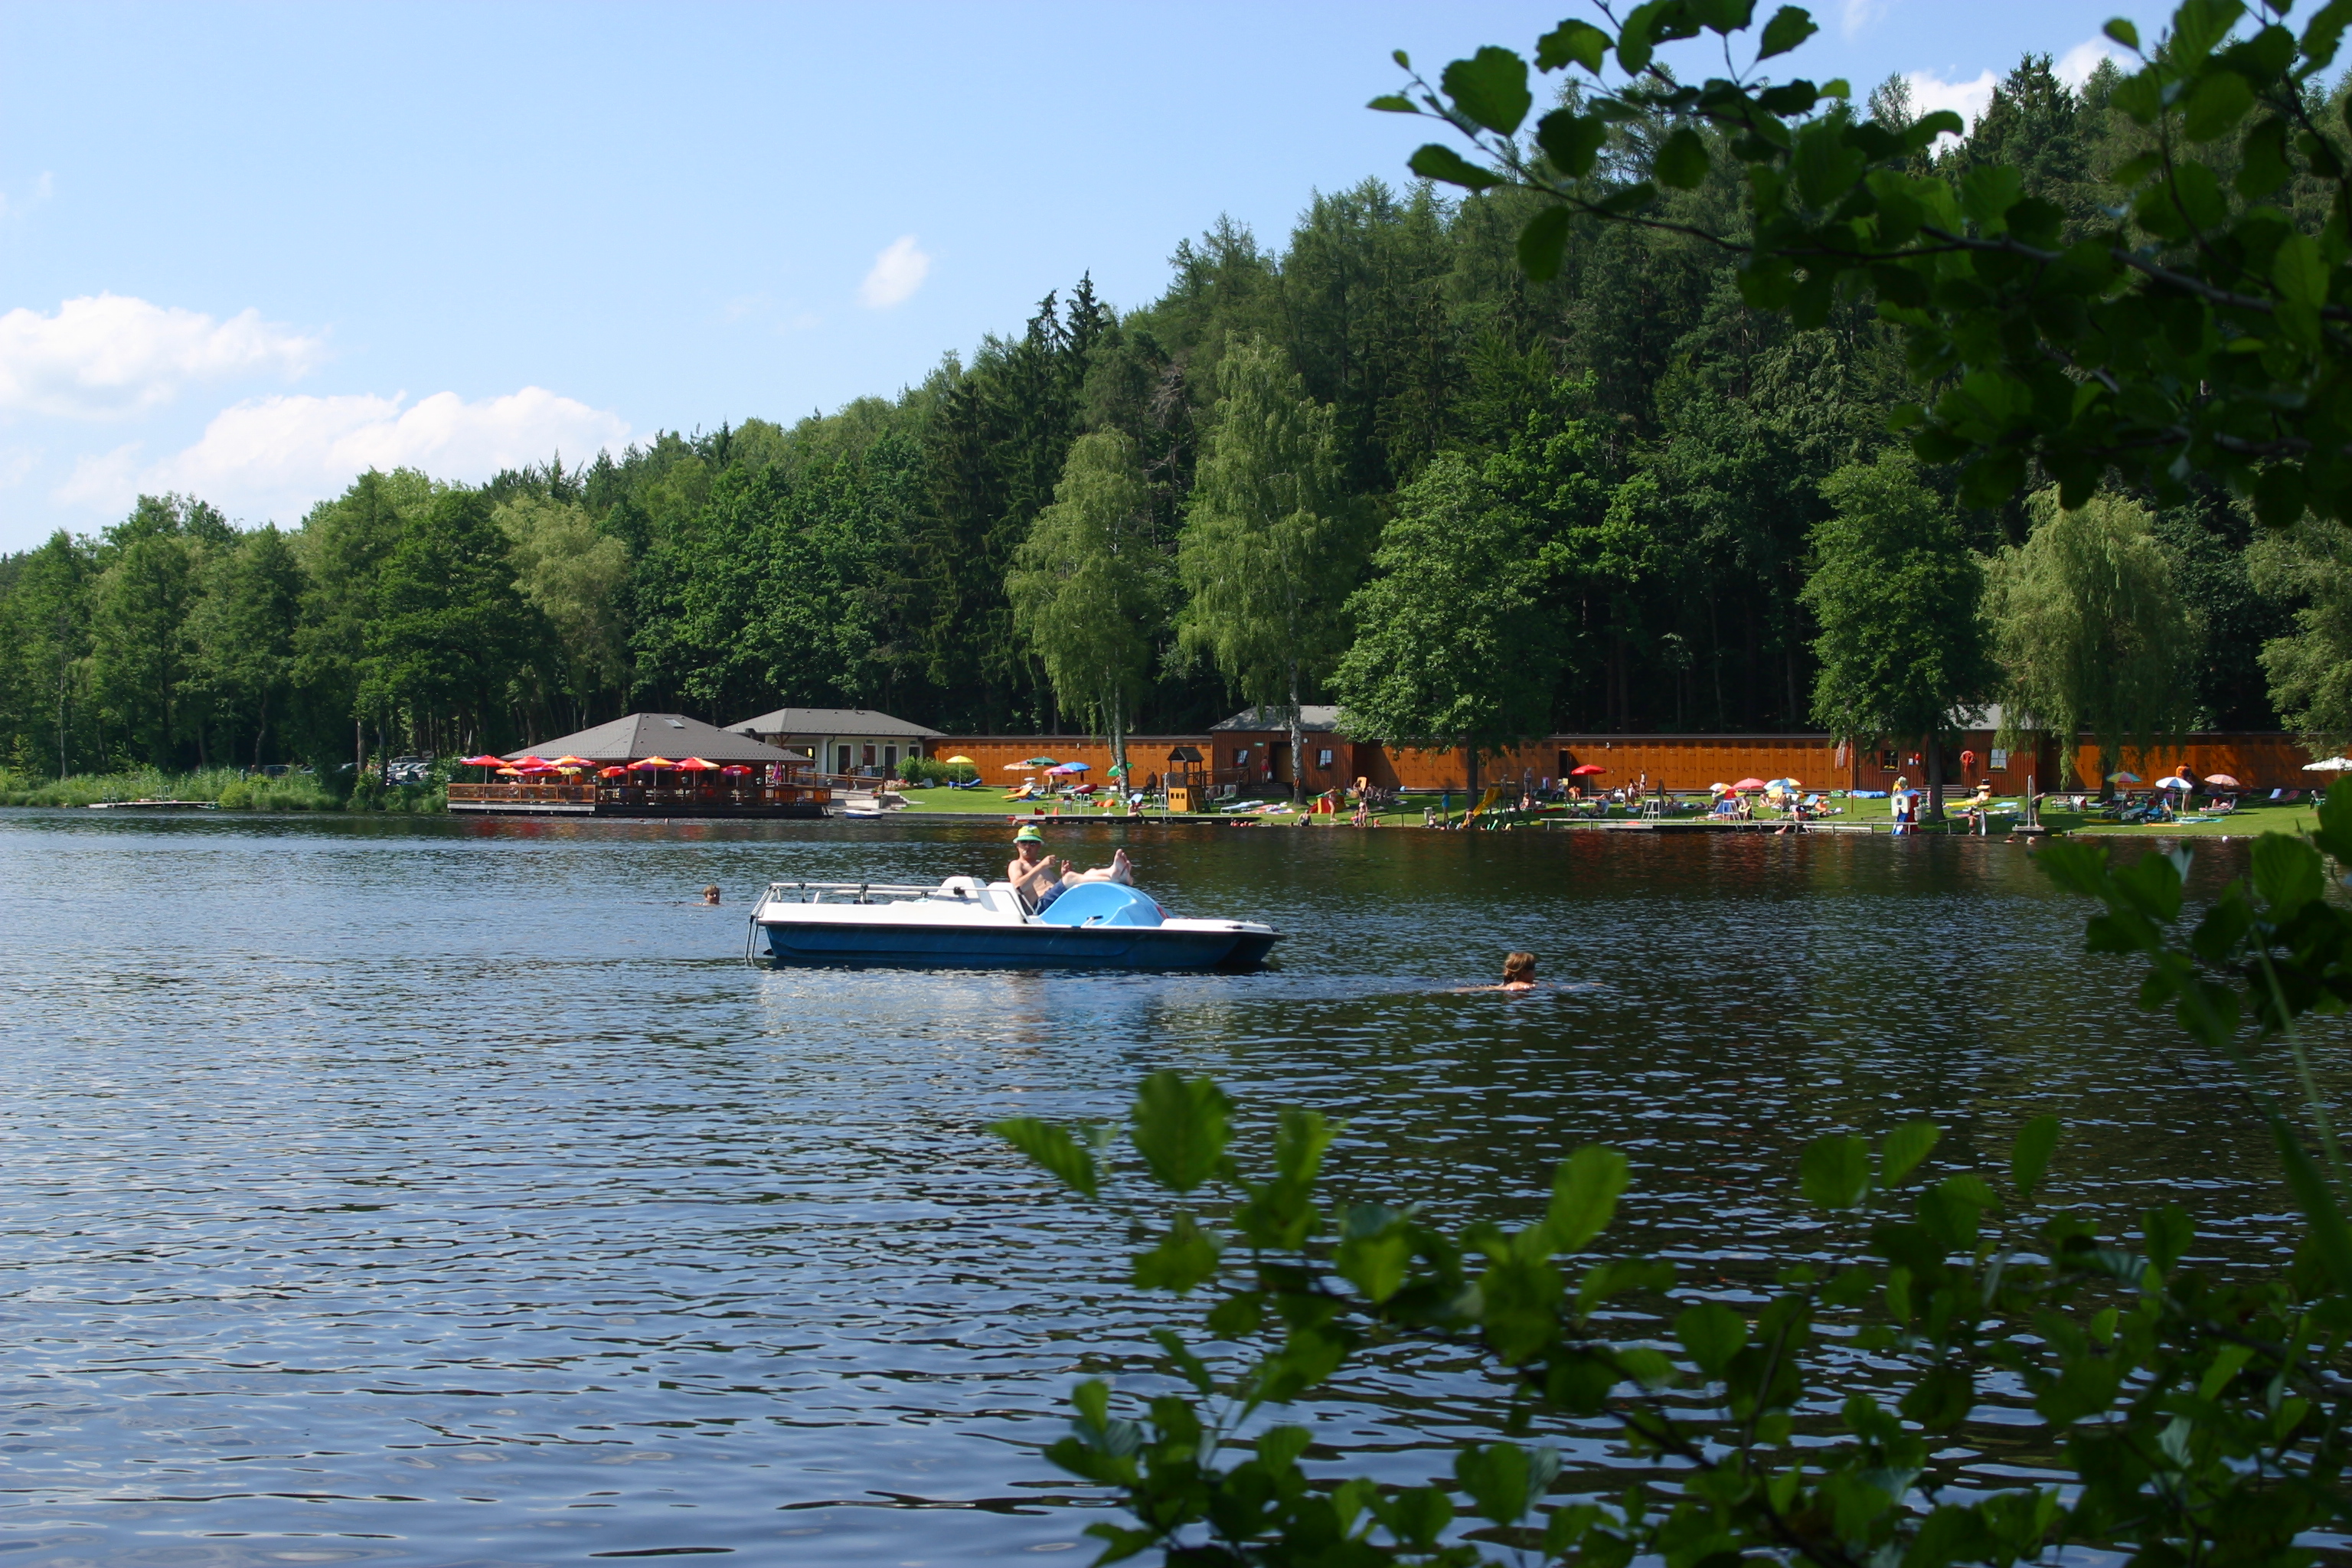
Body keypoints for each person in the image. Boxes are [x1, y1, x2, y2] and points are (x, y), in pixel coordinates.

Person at [1006, 824, 1132, 911]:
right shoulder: (1017, 864)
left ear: (1039, 845)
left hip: (1055, 901)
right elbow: (1017, 887)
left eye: (1032, 843)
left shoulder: (1041, 865)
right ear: (1017, 845)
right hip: (1040, 907)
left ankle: (1113, 873)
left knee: (1090, 872)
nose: (1028, 846)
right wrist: (1042, 866)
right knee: (1070, 877)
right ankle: (1115, 878)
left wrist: (1063, 875)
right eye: (1024, 843)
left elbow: (1055, 886)